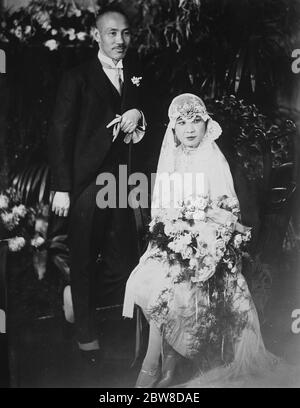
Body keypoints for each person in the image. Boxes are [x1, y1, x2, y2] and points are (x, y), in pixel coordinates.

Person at [122, 93, 300, 388]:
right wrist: (174, 235)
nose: (190, 128)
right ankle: (165, 361)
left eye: (195, 121)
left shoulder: (214, 159)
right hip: (177, 243)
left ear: (206, 125)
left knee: (174, 282)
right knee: (151, 280)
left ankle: (156, 365)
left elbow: (228, 208)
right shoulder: (171, 159)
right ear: (173, 129)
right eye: (182, 122)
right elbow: (163, 210)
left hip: (210, 245)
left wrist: (207, 235)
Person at [48, 6, 147, 365]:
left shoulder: (137, 73)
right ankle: (86, 335)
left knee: (126, 262)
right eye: (111, 33)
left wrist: (138, 114)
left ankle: (80, 299)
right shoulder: (77, 77)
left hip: (124, 181)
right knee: (85, 259)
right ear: (97, 35)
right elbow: (59, 133)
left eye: (125, 33)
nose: (120, 40)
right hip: (88, 181)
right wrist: (61, 187)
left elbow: (146, 109)